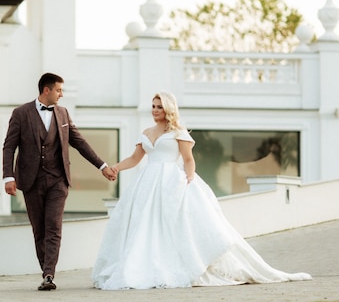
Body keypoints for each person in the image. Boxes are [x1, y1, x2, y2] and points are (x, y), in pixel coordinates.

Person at [91, 91, 311, 290]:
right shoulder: (146, 132)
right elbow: (135, 158)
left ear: (168, 108)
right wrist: (116, 168)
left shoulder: (179, 132)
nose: (155, 110)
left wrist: (188, 178)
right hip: (148, 182)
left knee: (175, 224)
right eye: (153, 106)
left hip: (171, 180)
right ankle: (143, 264)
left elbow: (188, 159)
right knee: (145, 224)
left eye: (159, 106)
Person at [3, 72, 116, 291]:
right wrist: (9, 176)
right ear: (47, 90)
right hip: (31, 180)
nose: (61, 95)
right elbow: (9, 146)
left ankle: (48, 274)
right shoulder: (21, 113)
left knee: (54, 227)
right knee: (40, 230)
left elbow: (79, 142)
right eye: (59, 90)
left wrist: (102, 166)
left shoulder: (63, 114)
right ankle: (46, 269)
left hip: (58, 180)